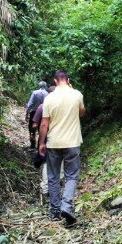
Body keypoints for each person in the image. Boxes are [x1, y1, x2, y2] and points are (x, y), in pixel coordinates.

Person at [39, 70, 85, 226]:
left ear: (55, 81)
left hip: (53, 143)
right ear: (68, 80)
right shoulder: (77, 94)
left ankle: (55, 212)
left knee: (53, 177)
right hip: (72, 142)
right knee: (71, 176)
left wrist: (41, 143)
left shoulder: (49, 98)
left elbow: (44, 123)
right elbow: (82, 113)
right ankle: (67, 206)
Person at [31, 86, 61, 196]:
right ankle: (57, 187)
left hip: (47, 139)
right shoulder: (62, 106)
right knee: (60, 161)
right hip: (61, 138)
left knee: (47, 163)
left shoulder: (42, 107)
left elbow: (35, 124)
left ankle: (45, 188)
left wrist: (38, 137)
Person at [25, 81, 48, 148]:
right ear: (45, 86)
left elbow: (30, 104)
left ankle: (32, 145)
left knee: (32, 129)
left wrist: (27, 114)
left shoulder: (35, 93)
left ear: (39, 86)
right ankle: (39, 146)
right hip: (44, 114)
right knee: (41, 130)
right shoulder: (47, 94)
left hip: (34, 113)